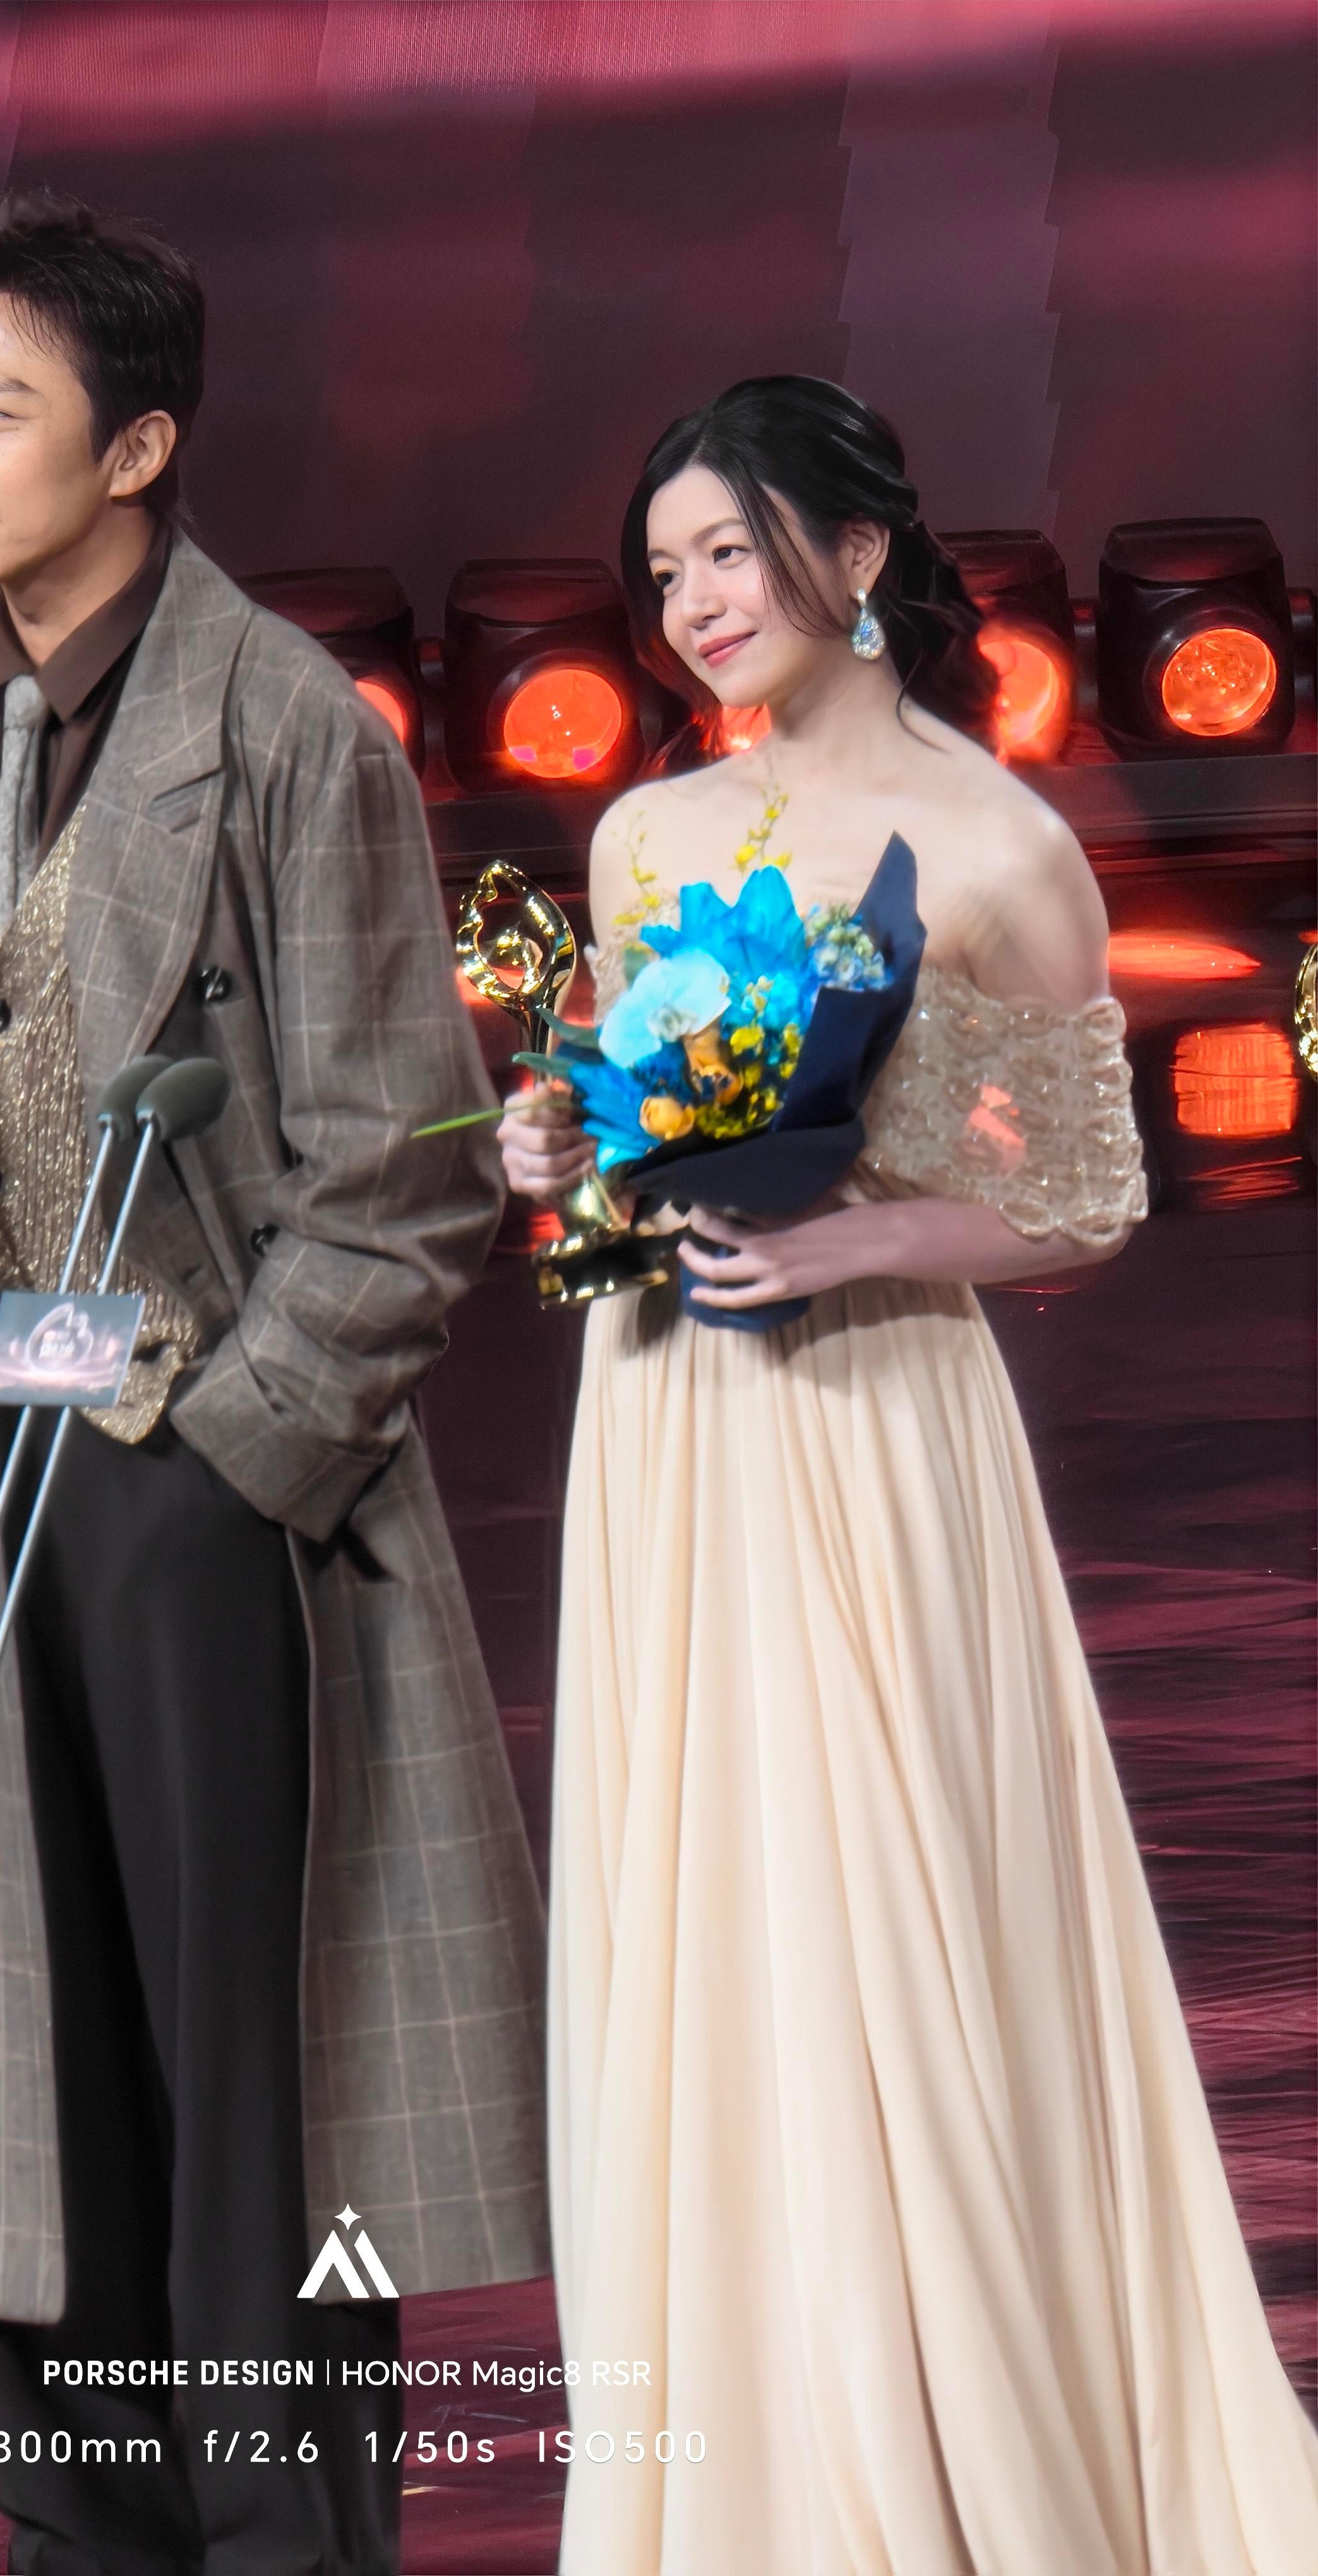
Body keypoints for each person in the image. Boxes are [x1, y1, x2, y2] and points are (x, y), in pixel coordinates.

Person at [0, 187, 548, 2576]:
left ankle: (287, 2537)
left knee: (253, 2065)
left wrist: (236, 1456)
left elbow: (406, 1164)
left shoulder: (285, 729)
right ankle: (84, 2532)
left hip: (207, 1478)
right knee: (31, 2044)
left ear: (140, 444)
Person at [500, 374, 1318, 2573]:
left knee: (892, 1905)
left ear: (855, 556)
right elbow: (632, 1126)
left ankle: (950, 2454)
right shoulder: (646, 837)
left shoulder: (999, 848)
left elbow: (1088, 1197)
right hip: (669, 1420)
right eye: (665, 569)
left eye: (731, 552)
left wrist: (854, 1240)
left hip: (875, 1426)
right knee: (707, 1925)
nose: (695, 603)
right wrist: (558, 1147)